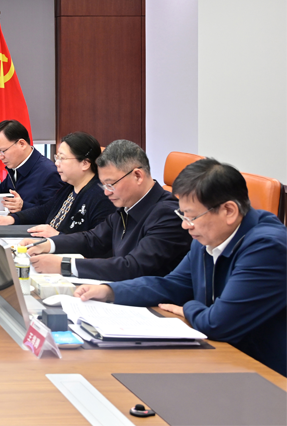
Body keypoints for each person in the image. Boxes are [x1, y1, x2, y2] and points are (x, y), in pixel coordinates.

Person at [75, 159, 287, 377]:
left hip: (267, 374)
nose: (186, 225)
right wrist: (110, 291)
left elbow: (217, 324)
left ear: (229, 211)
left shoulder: (267, 248)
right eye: (183, 215)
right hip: (222, 359)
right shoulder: (207, 237)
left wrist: (188, 307)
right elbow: (172, 284)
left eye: (192, 217)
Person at [22, 139, 191, 281]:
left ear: (137, 176)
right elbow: (93, 239)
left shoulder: (168, 214)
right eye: (104, 185)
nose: (106, 192)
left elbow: (133, 266)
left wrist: (64, 265)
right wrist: (48, 244)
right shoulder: (127, 206)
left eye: (111, 184)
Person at [0, 132, 113, 237]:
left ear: (85, 163)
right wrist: (12, 219)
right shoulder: (69, 188)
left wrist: (58, 236)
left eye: (62, 158)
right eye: (57, 157)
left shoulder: (101, 196)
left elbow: (98, 241)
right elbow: (45, 210)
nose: (57, 163)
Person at [0, 120, 64, 213]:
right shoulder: (17, 166)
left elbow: (55, 213)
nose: (0, 157)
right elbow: (3, 188)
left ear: (22, 144)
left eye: (3, 151)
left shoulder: (49, 173)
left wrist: (23, 206)